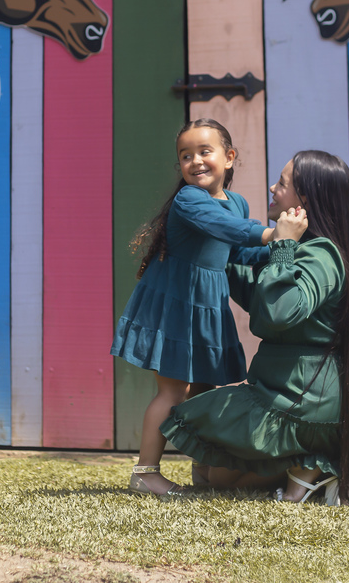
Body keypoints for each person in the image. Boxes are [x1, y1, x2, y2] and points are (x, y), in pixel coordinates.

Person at [160, 150, 349, 506]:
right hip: (276, 386)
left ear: (305, 200)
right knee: (209, 474)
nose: (273, 187)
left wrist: (283, 244)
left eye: (283, 183)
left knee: (221, 478)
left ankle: (325, 463)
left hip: (304, 398)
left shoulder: (322, 254)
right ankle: (318, 466)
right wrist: (207, 256)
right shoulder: (301, 249)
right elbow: (258, 291)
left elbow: (278, 311)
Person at [110, 119, 273, 496]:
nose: (195, 161)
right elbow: (225, 228)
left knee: (204, 390)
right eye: (186, 156)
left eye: (205, 152)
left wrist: (281, 248)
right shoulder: (189, 200)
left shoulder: (238, 203)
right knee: (172, 392)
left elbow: (239, 251)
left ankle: (205, 469)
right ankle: (145, 473)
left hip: (208, 306)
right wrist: (269, 232)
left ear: (229, 157)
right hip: (176, 306)